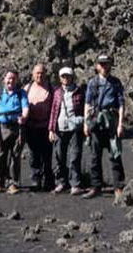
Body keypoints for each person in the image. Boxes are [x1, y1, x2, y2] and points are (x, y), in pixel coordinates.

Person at [82, 53, 126, 200]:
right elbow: (87, 104)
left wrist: (120, 124)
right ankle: (96, 186)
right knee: (95, 156)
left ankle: (118, 187)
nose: (104, 66)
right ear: (97, 66)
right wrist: (85, 123)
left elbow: (121, 104)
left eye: (106, 63)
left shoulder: (116, 82)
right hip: (95, 122)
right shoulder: (92, 83)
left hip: (112, 122)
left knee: (115, 154)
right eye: (101, 64)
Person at [47, 65, 86, 194]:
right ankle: (61, 182)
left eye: (68, 76)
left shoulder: (79, 91)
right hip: (60, 128)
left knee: (75, 156)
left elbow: (85, 109)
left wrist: (86, 124)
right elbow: (53, 111)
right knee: (59, 156)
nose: (65, 78)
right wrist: (51, 130)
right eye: (63, 76)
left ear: (72, 77)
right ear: (60, 78)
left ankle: (75, 184)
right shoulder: (57, 92)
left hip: (75, 128)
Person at [20, 62, 56, 191]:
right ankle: (36, 179)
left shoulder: (52, 89)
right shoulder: (27, 88)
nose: (39, 75)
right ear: (33, 74)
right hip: (31, 126)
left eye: (42, 73)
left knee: (47, 154)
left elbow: (55, 108)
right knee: (34, 153)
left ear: (46, 74)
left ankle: (48, 179)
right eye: (37, 73)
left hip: (46, 126)